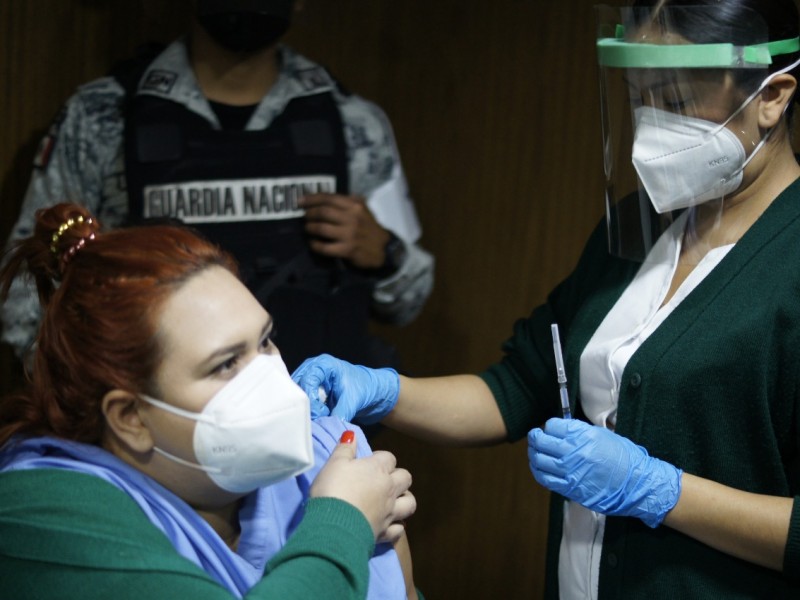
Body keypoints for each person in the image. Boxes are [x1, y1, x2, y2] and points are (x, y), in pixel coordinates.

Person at [292, 0, 800, 597]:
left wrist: (661, 492)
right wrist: (383, 390)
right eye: (641, 98)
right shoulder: (635, 233)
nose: (652, 126)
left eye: (677, 102)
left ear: (772, 95)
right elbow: (516, 390)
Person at [0, 202, 418, 599]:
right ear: (130, 417)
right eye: (225, 364)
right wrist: (344, 521)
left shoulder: (335, 457)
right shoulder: (50, 512)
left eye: (265, 341)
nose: (270, 377)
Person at [1, 0, 434, 372]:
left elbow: (410, 296)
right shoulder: (103, 117)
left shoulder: (351, 124)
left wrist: (386, 254)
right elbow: (25, 292)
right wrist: (99, 407)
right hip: (153, 454)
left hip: (315, 437)